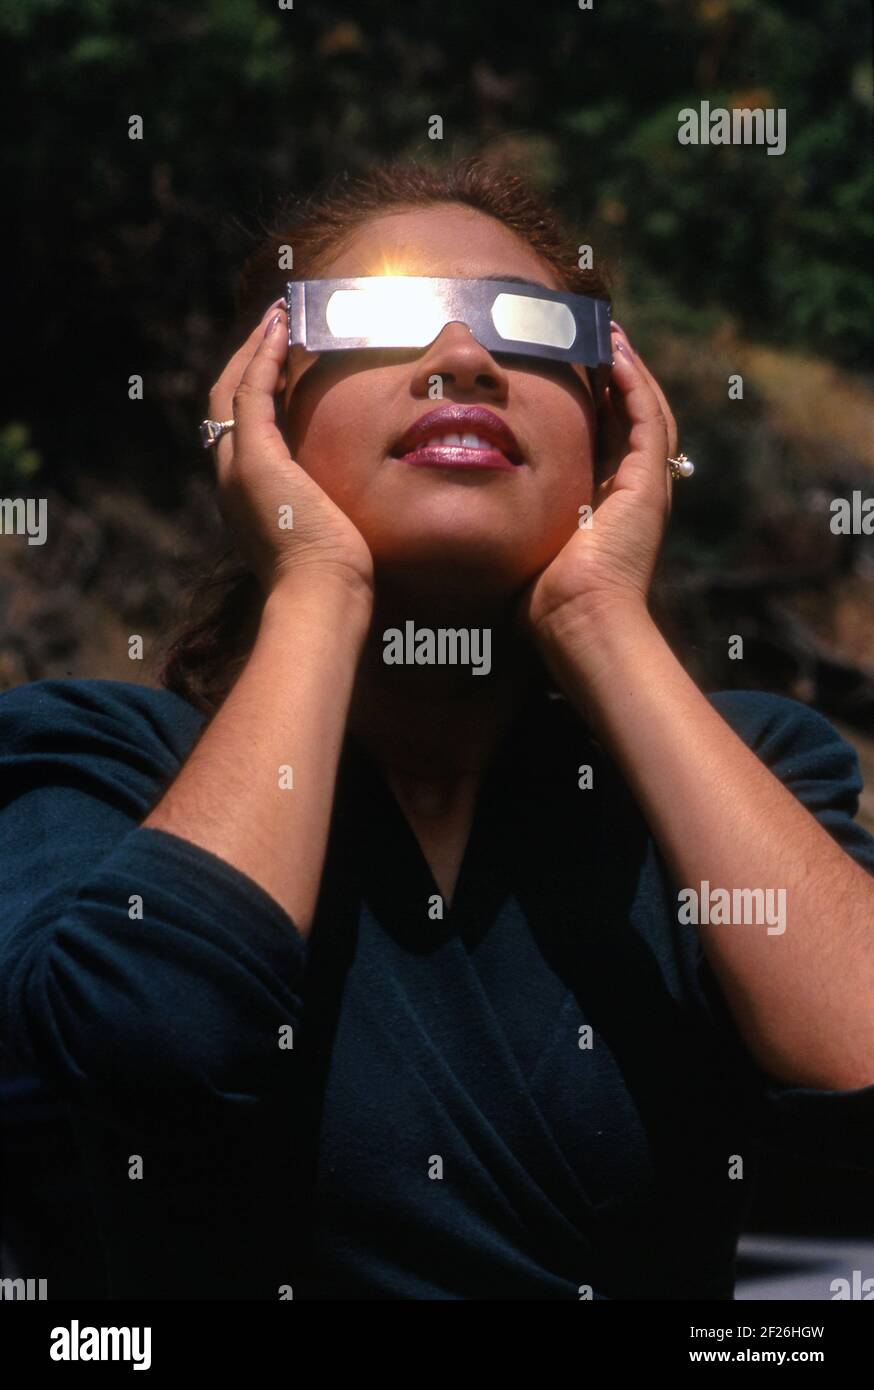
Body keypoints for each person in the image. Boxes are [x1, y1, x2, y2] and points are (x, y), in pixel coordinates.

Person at [1, 157, 873, 1301]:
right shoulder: (90, 763)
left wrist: (600, 614)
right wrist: (315, 580)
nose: (464, 359)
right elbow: (148, 1041)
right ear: (260, 412)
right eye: (376, 318)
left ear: (609, 429)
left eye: (529, 327)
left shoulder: (741, 768)